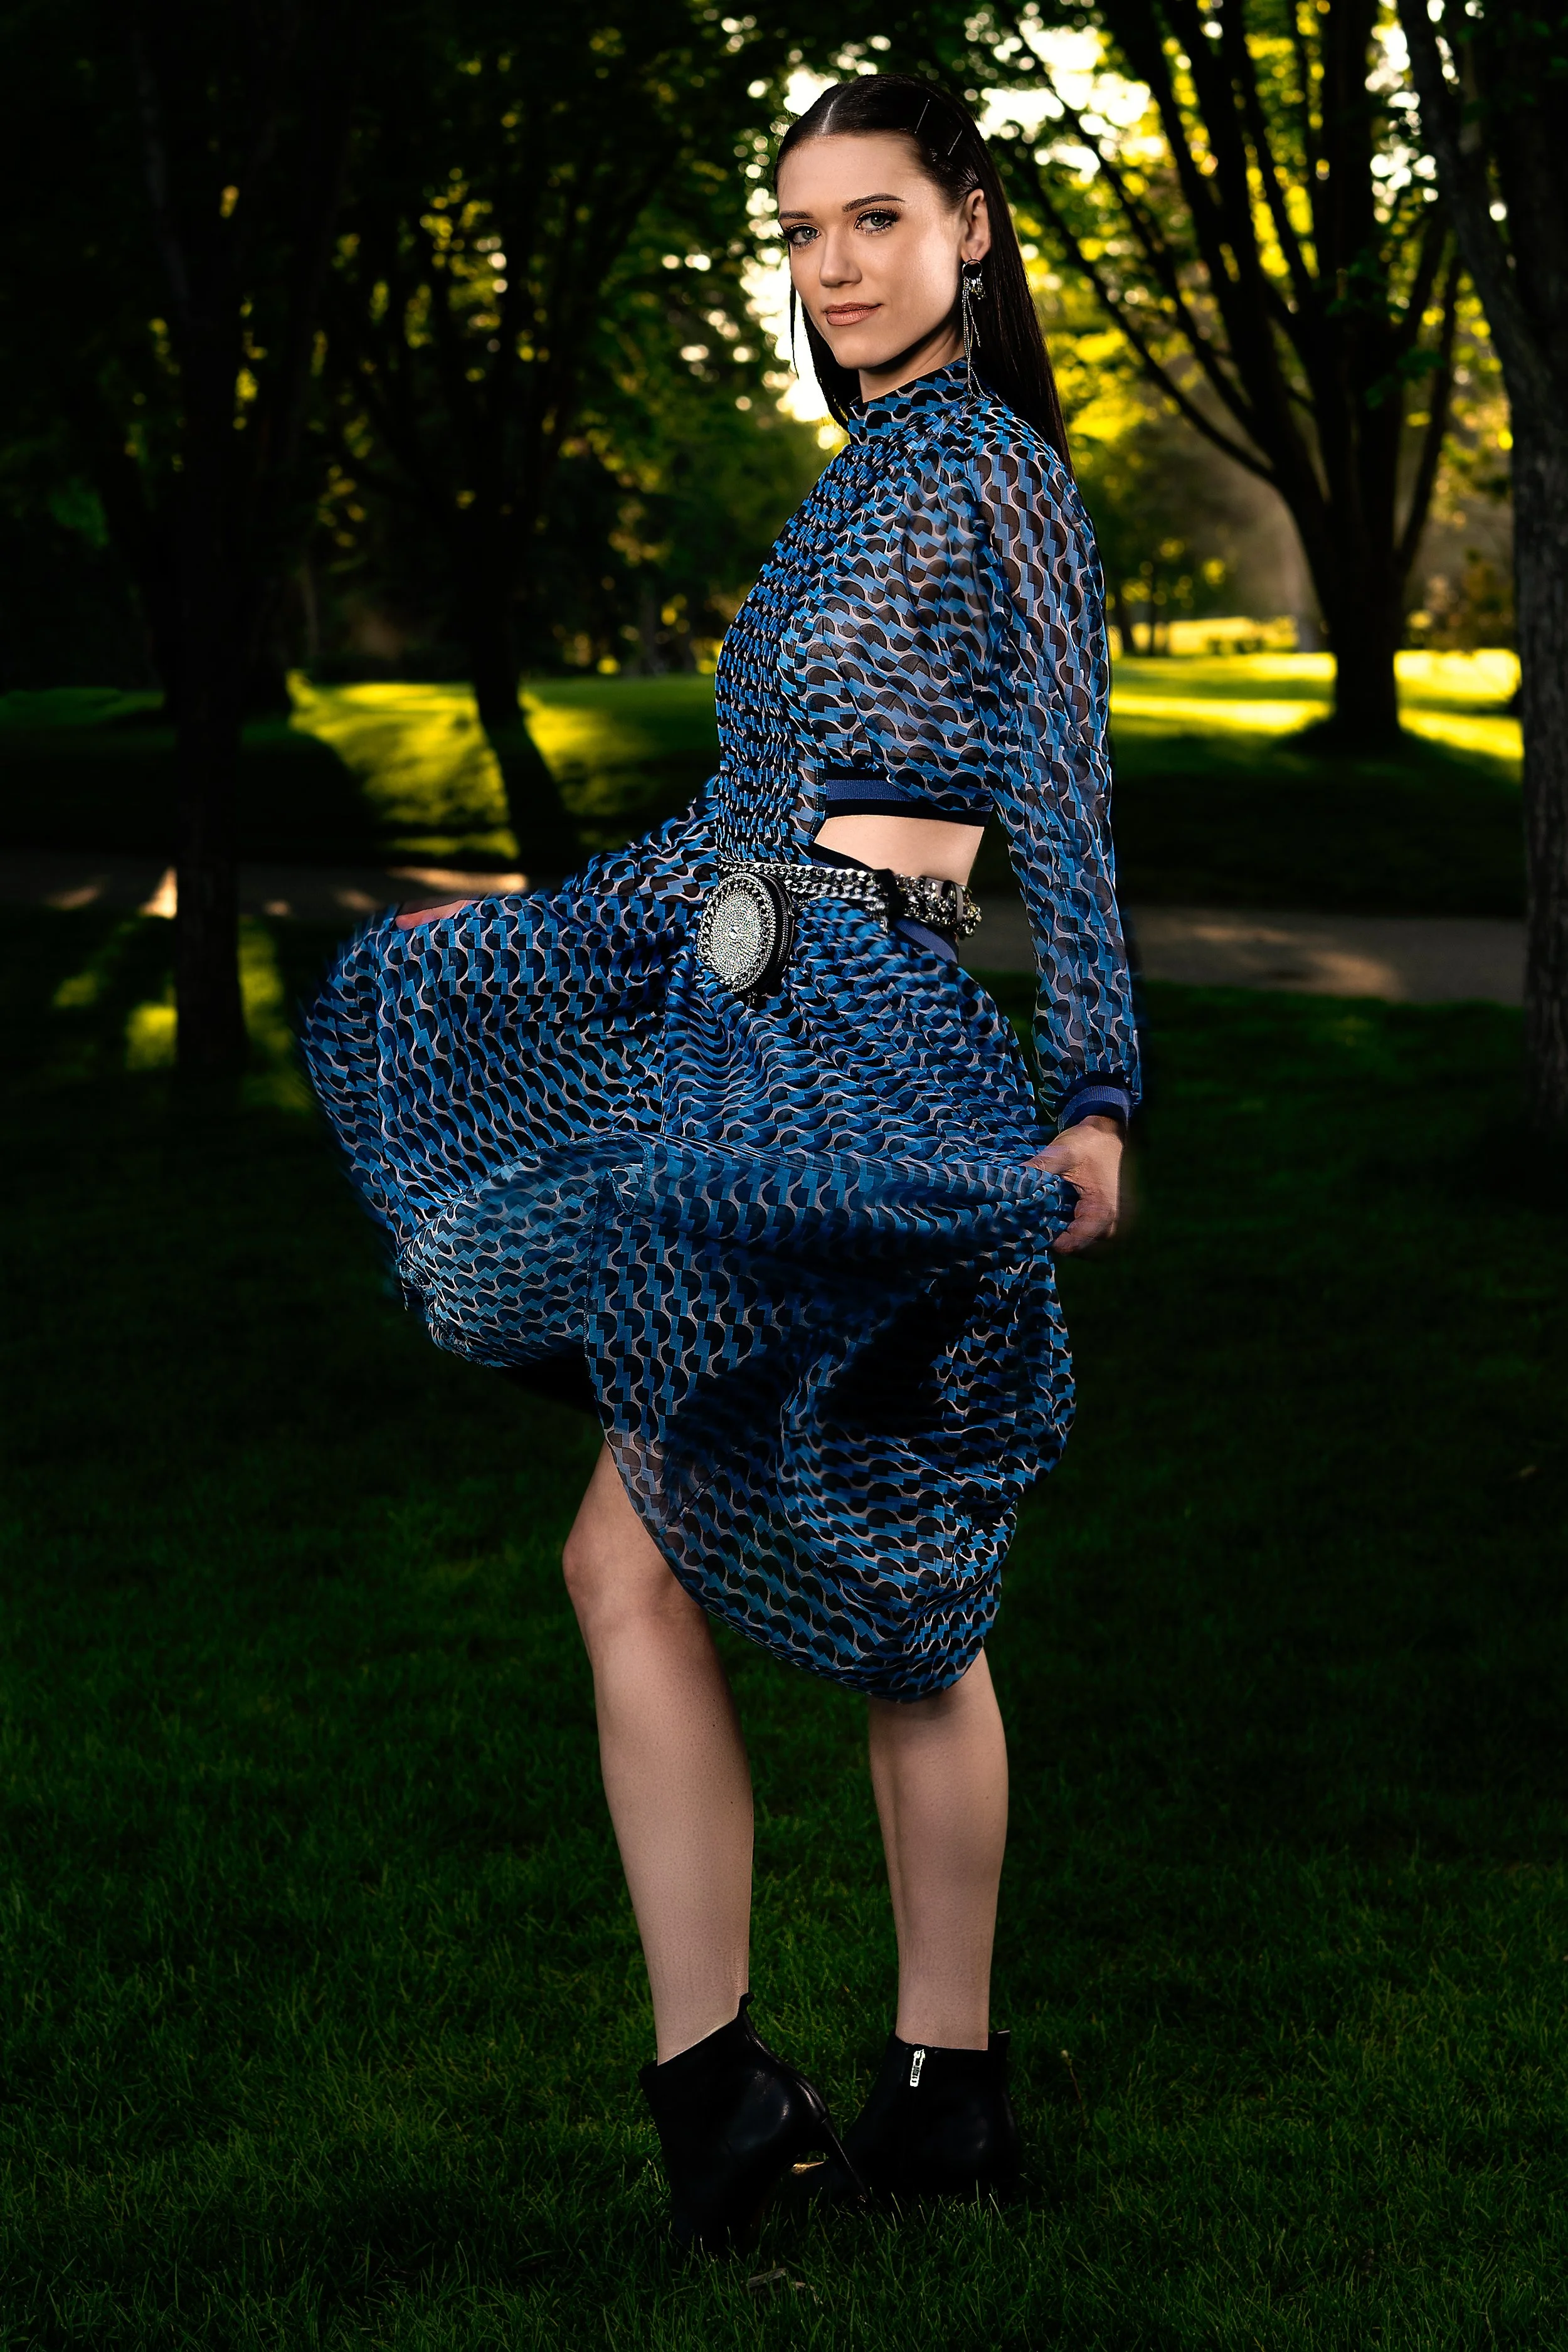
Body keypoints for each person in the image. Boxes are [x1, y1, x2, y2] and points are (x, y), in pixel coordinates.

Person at [302, 72, 1138, 2250]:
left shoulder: (994, 479)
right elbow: (722, 852)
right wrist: (502, 932)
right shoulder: (848, 496)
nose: (836, 267)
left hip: (866, 1063)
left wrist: (1097, 1087)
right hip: (744, 1034)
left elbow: (1062, 799)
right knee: (696, 1569)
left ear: (972, 225)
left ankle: (817, 2095)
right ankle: (802, 2099)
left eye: (876, 218)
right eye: (801, 231)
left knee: (865, 1586)